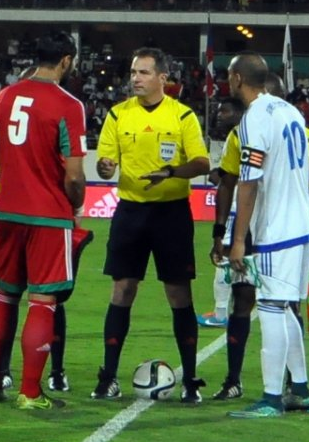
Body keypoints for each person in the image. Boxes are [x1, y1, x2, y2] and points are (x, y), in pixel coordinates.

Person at [92, 47, 210, 403]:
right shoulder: (117, 115)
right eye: (133, 72)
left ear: (163, 78)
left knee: (178, 294)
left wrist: (172, 172)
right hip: (130, 212)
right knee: (122, 290)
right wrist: (105, 169)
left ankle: (190, 379)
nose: (135, 79)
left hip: (171, 214)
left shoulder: (182, 116)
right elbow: (104, 161)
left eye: (143, 73)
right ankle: (108, 377)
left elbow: (202, 162)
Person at [0, 32, 87, 410]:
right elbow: (73, 175)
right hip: (48, 216)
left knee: (3, 295)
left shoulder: (6, 96)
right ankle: (30, 391)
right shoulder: (68, 104)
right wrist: (77, 204)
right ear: (67, 61)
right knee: (42, 301)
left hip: (8, 210)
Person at [205, 73, 309, 402]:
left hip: (276, 228)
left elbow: (249, 180)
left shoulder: (255, 118)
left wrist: (240, 239)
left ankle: (272, 397)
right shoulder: (293, 114)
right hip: (302, 227)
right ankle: (299, 390)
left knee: (271, 307)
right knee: (288, 308)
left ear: (237, 78)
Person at [197, 97, 245, 329]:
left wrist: (220, 177)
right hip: (252, 210)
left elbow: (231, 179)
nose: (219, 114)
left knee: (223, 258)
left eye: (224, 110)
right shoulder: (252, 132)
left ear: (238, 112)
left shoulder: (237, 135)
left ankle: (220, 314)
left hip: (237, 209)